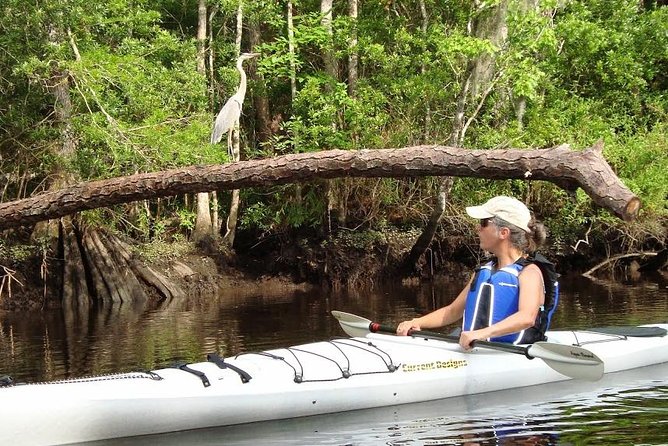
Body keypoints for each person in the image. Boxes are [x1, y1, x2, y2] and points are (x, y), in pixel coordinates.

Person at [396, 195, 559, 349]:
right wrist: (416, 322)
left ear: (503, 233)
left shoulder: (530, 272)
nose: (477, 228)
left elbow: (526, 318)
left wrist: (481, 334)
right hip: (476, 348)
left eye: (483, 223)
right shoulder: (483, 271)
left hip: (510, 352)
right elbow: (452, 311)